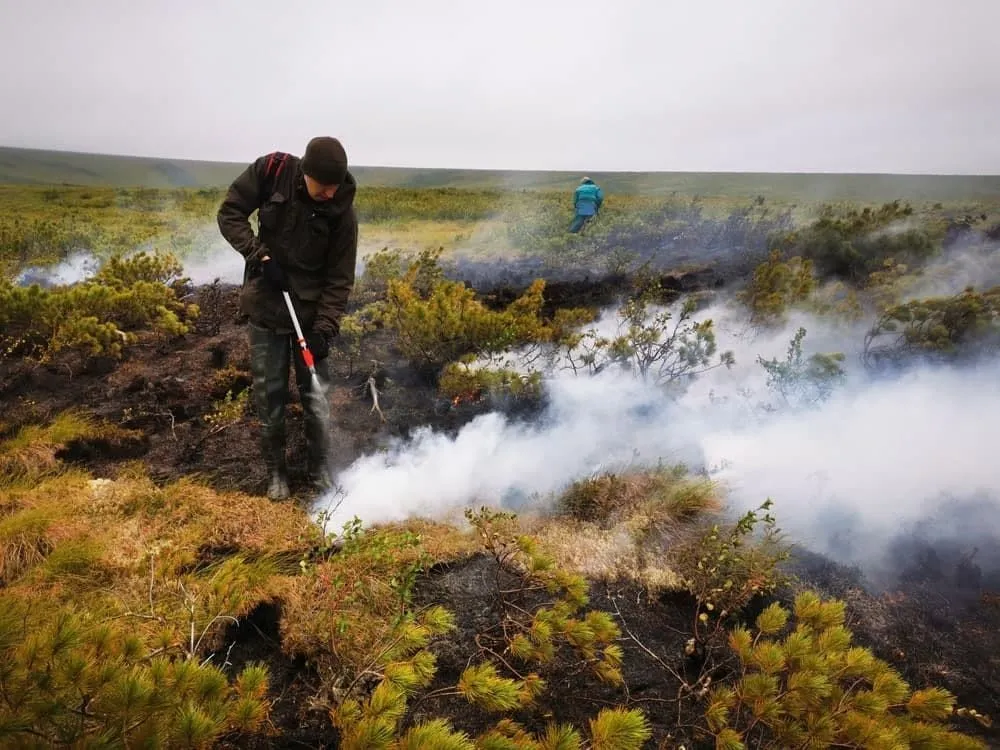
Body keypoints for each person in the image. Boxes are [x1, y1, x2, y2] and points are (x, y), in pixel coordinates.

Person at [217, 136, 358, 500]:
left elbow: (339, 279)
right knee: (270, 396)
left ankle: (318, 470)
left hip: (310, 317)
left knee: (316, 397)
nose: (329, 193)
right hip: (266, 305)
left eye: (335, 187)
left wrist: (325, 330)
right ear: (305, 173)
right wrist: (259, 256)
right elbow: (229, 213)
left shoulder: (342, 211)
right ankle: (276, 473)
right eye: (323, 186)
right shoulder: (272, 171)